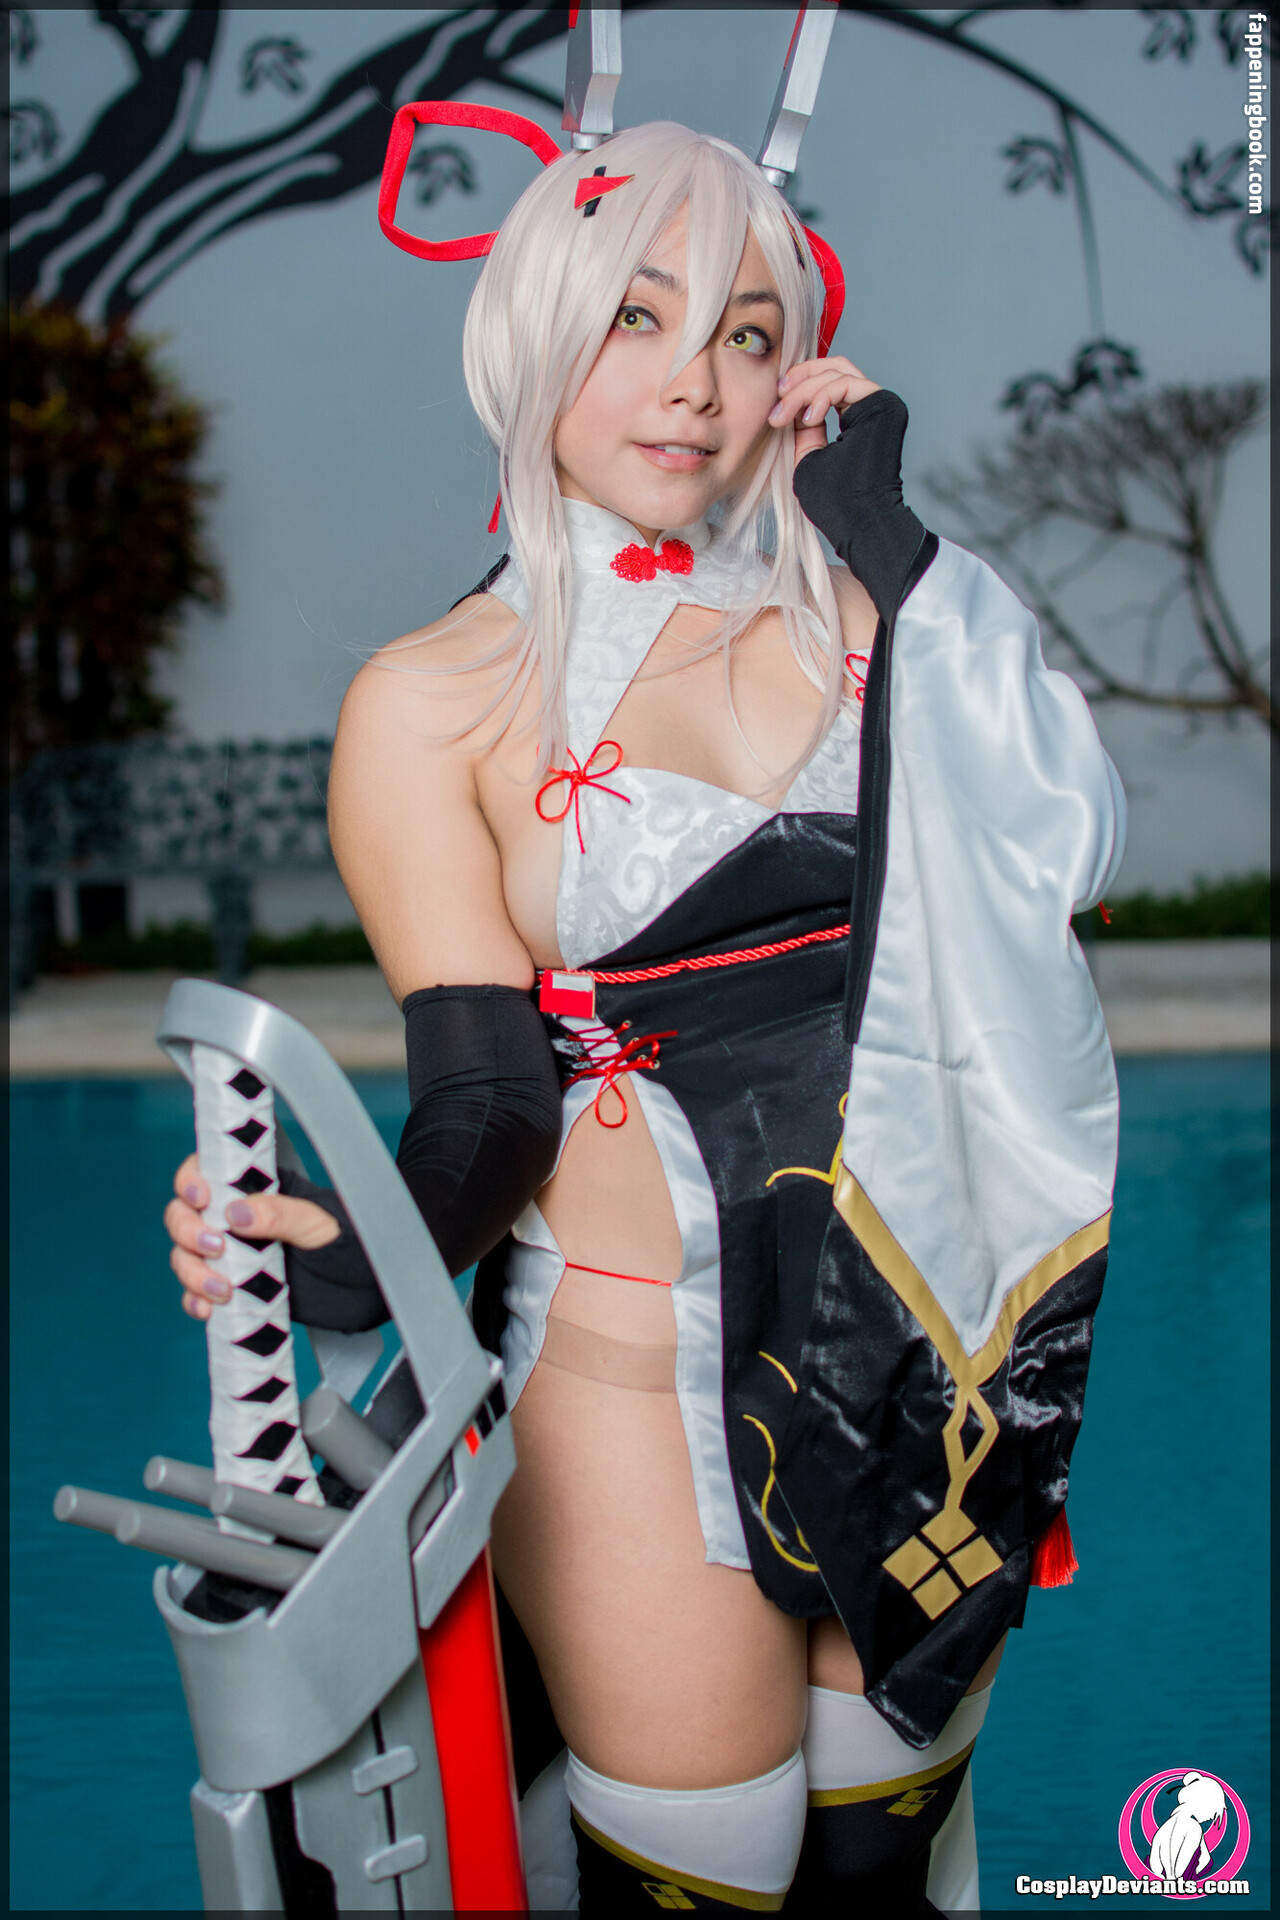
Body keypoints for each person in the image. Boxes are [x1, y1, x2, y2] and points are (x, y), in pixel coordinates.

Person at [163, 121, 1124, 1915]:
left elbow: (1066, 853)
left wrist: (890, 533)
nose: (693, 383)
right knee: (710, 1874)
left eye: (749, 334)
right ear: (534, 326)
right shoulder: (434, 700)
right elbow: (486, 1105)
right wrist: (348, 1246)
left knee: (881, 1861)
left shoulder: (881, 609)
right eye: (636, 317)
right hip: (631, 1379)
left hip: (929, 1351)